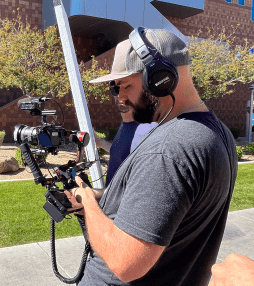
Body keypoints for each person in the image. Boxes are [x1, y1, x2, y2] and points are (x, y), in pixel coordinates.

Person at [67, 28, 238, 286]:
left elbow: (125, 264)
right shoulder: (216, 132)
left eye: (126, 85)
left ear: (161, 79)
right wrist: (106, 198)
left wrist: (90, 204)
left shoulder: (170, 148)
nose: (120, 97)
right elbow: (172, 208)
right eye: (116, 88)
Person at [94, 95, 156, 185]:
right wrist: (100, 143)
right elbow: (123, 153)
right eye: (115, 90)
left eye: (127, 87)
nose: (120, 95)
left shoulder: (143, 129)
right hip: (111, 195)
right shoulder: (125, 124)